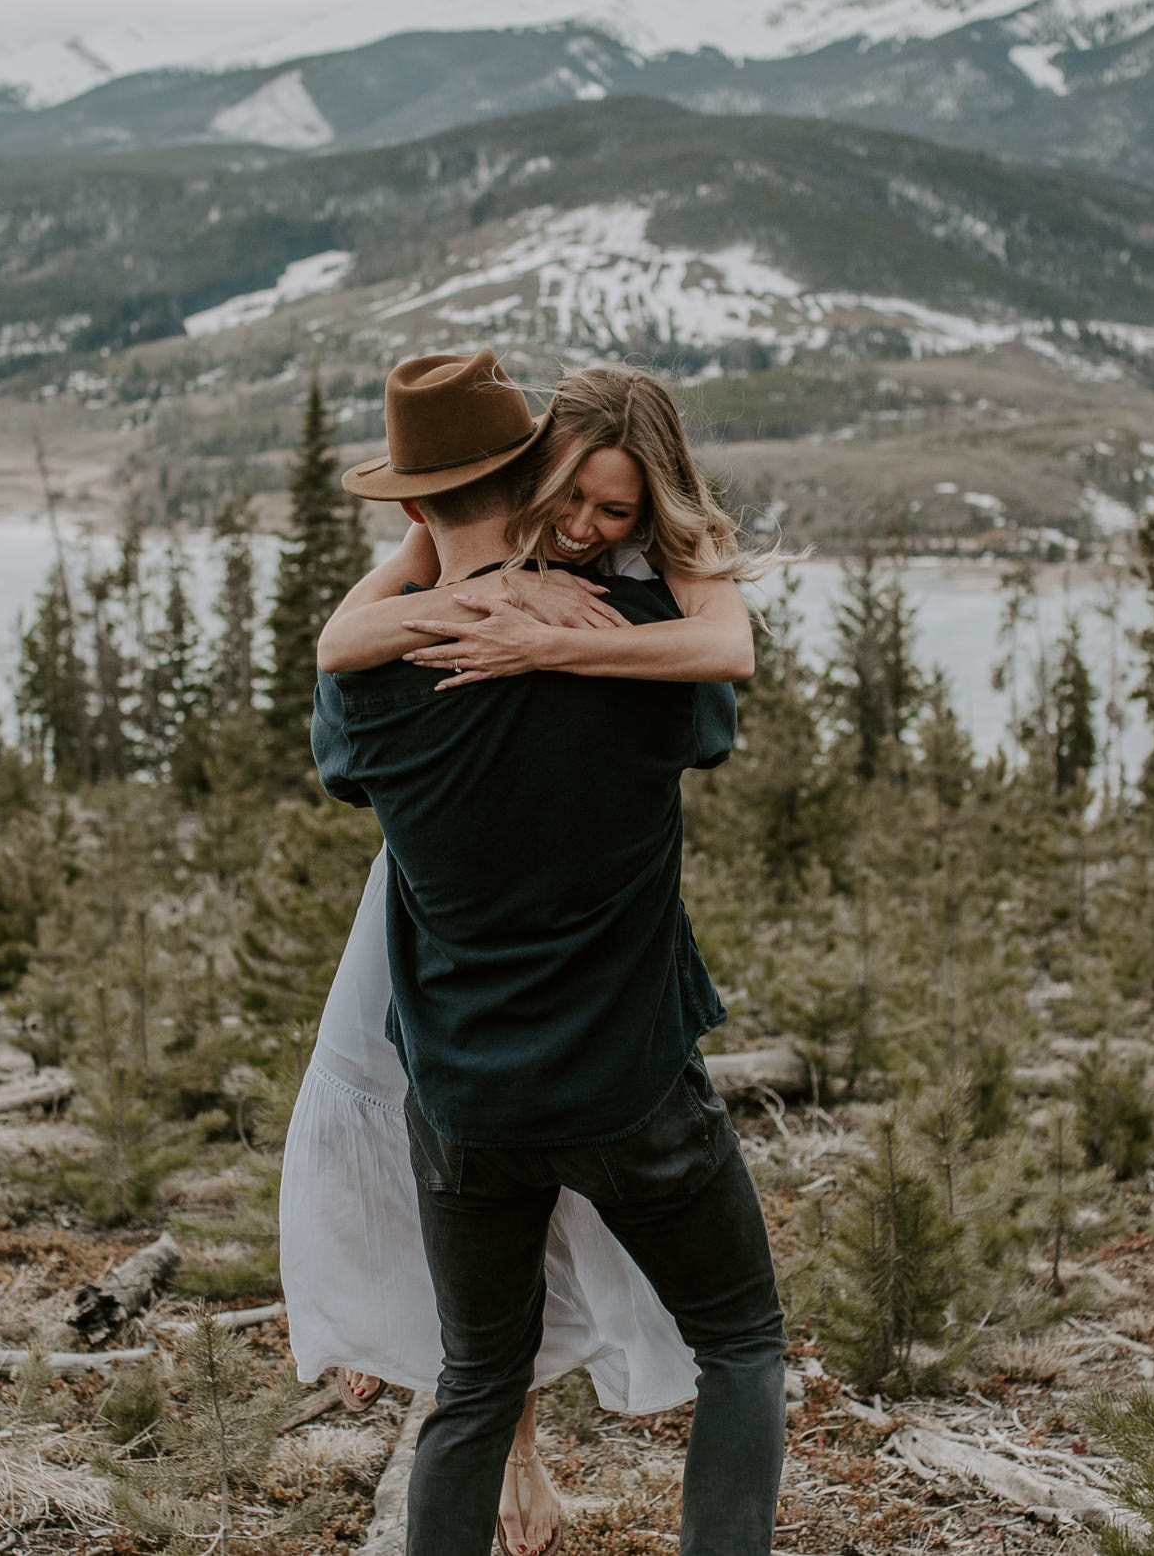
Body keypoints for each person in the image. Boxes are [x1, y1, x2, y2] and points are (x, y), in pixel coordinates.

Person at [296, 350, 785, 1556]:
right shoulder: (644, 649)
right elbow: (715, 681)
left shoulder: (370, 685)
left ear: (411, 509)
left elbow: (343, 702)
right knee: (741, 1346)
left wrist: (431, 578)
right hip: (630, 1087)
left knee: (472, 1385)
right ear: (530, 470)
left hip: (464, 1104)